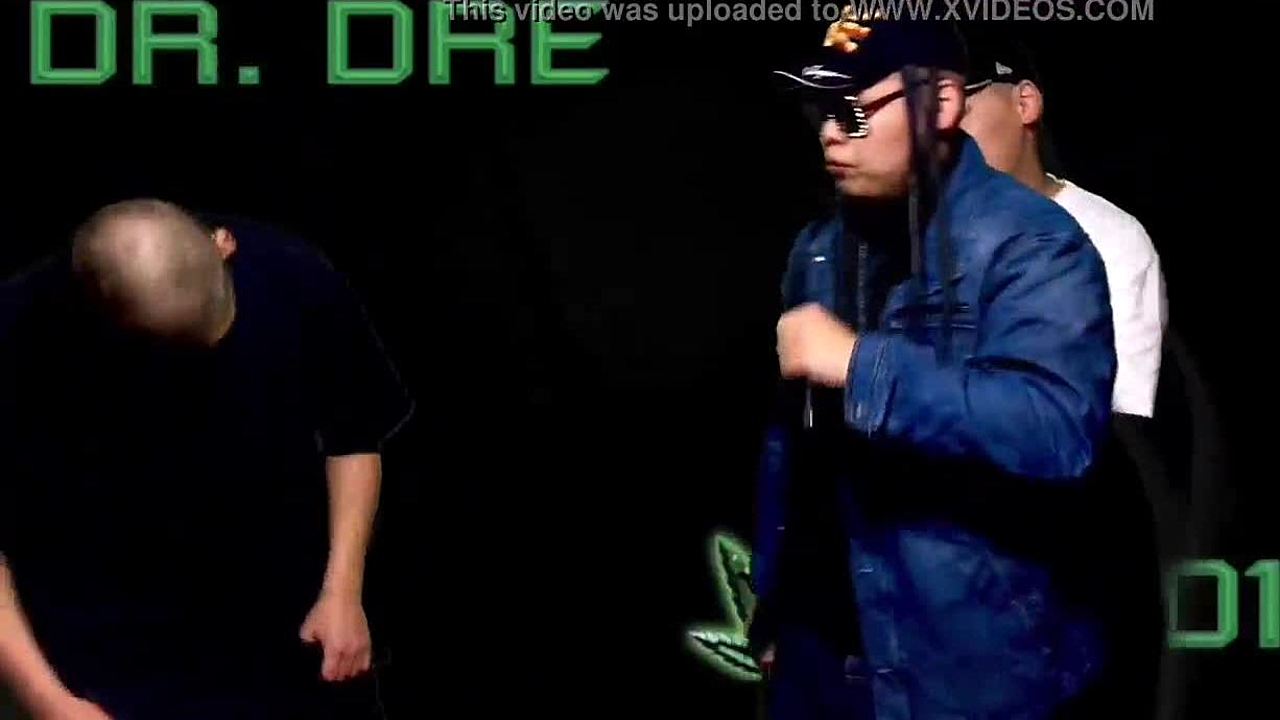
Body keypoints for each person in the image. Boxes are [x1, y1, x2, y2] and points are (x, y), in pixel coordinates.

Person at [750, 12, 1118, 719]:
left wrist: (860, 365)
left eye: (855, 110)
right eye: (821, 110)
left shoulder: (1033, 244)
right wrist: (777, 605)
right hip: (818, 656)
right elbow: (792, 449)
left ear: (943, 103)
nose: (831, 133)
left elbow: (1058, 430)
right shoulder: (819, 247)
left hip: (968, 669)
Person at [0, 199, 412, 719]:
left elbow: (353, 435)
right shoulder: (16, 336)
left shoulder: (294, 275)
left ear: (223, 244)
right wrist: (49, 700)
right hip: (109, 648)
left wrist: (343, 590)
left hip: (285, 628)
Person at [960, 31, 1167, 418]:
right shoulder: (901, 235)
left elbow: (1122, 418)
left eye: (956, 108)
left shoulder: (1110, 239)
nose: (937, 133)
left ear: (1024, 103)